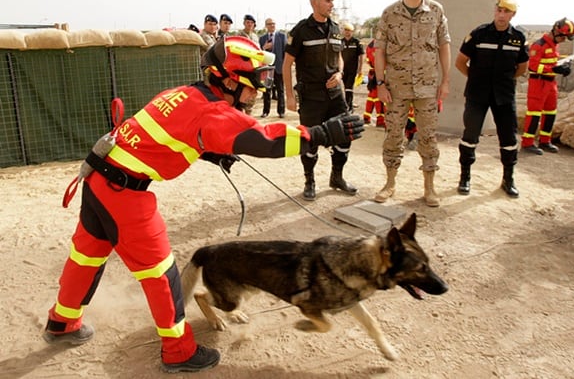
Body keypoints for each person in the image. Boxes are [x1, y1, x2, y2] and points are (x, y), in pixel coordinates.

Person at [42, 36, 364, 373]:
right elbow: (264, 140)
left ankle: (62, 322)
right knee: (161, 274)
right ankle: (178, 351)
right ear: (228, 81)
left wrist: (209, 150)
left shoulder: (184, 93)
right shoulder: (213, 111)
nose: (259, 91)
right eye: (256, 82)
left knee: (87, 257)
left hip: (99, 179)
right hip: (124, 193)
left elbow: (170, 132)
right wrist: (321, 134)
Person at [373, 0, 451, 208]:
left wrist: (445, 81)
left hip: (427, 87)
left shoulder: (436, 11)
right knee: (393, 135)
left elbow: (444, 47)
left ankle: (429, 188)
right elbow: (380, 51)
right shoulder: (389, 13)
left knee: (428, 136)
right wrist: (381, 83)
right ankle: (389, 184)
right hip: (396, 87)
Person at [283, 0, 358, 201]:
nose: (332, 5)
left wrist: (340, 74)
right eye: (328, 1)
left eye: (332, 1)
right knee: (310, 141)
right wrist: (289, 95)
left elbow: (340, 58)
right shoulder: (300, 31)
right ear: (315, 2)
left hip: (335, 96)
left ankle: (337, 177)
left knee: (346, 135)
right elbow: (287, 64)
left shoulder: (335, 28)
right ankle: (310, 181)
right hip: (311, 97)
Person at [454, 0, 529, 198]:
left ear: (513, 14)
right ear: (494, 10)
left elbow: (522, 67)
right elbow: (460, 62)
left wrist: (504, 80)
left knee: (508, 138)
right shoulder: (479, 34)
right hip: (478, 95)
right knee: (470, 136)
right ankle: (465, 177)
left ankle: (508, 179)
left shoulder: (518, 38)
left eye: (506, 11)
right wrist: (475, 78)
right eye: (499, 10)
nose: (501, 15)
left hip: (504, 96)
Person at [521, 18, 574, 155]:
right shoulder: (539, 45)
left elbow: (551, 64)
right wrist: (553, 69)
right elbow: (533, 66)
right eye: (564, 36)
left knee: (551, 112)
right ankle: (527, 143)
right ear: (556, 31)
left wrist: (562, 69)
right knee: (534, 113)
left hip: (551, 83)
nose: (564, 40)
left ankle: (545, 141)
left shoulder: (554, 45)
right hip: (538, 83)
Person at [259, 17, 287, 118]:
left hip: (279, 68)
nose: (272, 26)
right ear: (266, 26)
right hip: (267, 69)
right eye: (270, 24)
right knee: (267, 91)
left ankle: (281, 111)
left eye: (273, 24)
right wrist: (264, 48)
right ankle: (266, 111)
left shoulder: (282, 37)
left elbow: (285, 53)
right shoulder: (262, 39)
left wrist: (285, 66)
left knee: (280, 90)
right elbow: (258, 54)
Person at [238, 14, 260, 115]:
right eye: (248, 22)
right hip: (243, 67)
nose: (249, 24)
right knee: (242, 91)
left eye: (251, 23)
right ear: (244, 23)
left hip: (254, 67)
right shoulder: (240, 35)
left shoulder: (255, 36)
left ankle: (249, 112)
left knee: (253, 91)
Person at [341, 22, 364, 112]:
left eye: (349, 31)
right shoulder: (341, 42)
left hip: (352, 68)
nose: (347, 32)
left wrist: (360, 69)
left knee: (349, 87)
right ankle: (348, 105)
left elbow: (361, 56)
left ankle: (349, 107)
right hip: (343, 69)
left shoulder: (356, 42)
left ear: (352, 32)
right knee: (345, 87)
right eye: (346, 30)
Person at [362, 39, 386, 127]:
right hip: (380, 73)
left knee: (371, 96)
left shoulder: (370, 45)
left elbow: (368, 60)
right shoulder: (382, 44)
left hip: (372, 73)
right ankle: (380, 120)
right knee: (378, 97)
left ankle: (366, 117)